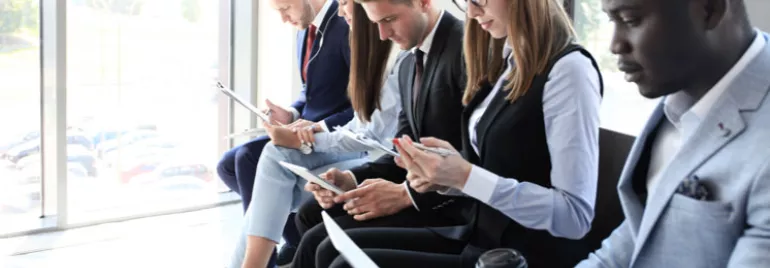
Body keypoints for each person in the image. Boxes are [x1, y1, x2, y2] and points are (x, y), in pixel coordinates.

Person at [321, 0, 604, 267]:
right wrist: (443, 177)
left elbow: (573, 216)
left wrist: (464, 176)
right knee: (336, 250)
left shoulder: (570, 71)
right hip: (481, 239)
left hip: (519, 255)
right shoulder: (509, 62)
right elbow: (490, 170)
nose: (471, 11)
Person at [576, 0, 770, 267]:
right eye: (612, 21)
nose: (615, 45)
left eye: (631, 20)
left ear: (709, 10)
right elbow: (638, 239)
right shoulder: (681, 93)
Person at [290, 0, 471, 267]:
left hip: (454, 210)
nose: (382, 35)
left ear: (423, 2)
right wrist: (351, 179)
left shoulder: (465, 51)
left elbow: (478, 157)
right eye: (376, 23)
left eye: (388, 20)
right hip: (422, 193)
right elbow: (403, 152)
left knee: (323, 245)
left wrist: (404, 194)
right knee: (310, 214)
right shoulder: (409, 62)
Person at [227, 0, 403, 267]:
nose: (342, 10)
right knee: (251, 166)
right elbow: (322, 100)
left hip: (365, 151)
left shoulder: (372, 45)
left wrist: (312, 132)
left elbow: (365, 128)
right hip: (335, 134)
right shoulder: (314, 32)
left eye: (345, 3)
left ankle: (254, 262)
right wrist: (296, 119)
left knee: (268, 161)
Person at [217, 0, 354, 265]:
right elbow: (310, 92)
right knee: (227, 166)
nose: (283, 19)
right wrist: (290, 114)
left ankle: (264, 258)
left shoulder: (346, 24)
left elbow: (362, 106)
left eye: (285, 9)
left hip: (331, 134)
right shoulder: (305, 29)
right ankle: (292, 238)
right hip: (303, 128)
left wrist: (316, 126)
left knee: (247, 158)